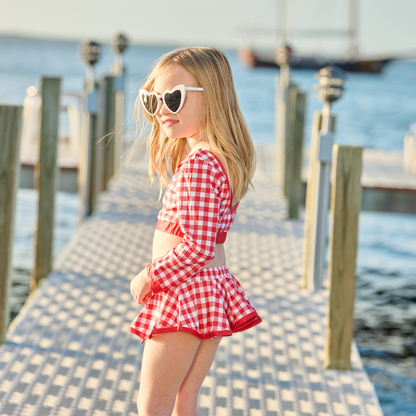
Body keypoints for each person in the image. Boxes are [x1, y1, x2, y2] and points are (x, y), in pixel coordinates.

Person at [129, 46, 262, 416]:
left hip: (183, 293)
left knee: (152, 404)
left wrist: (150, 276)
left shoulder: (200, 165)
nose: (161, 111)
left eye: (173, 98)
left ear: (213, 97)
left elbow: (198, 247)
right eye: (153, 99)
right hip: (207, 289)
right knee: (182, 399)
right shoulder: (217, 158)